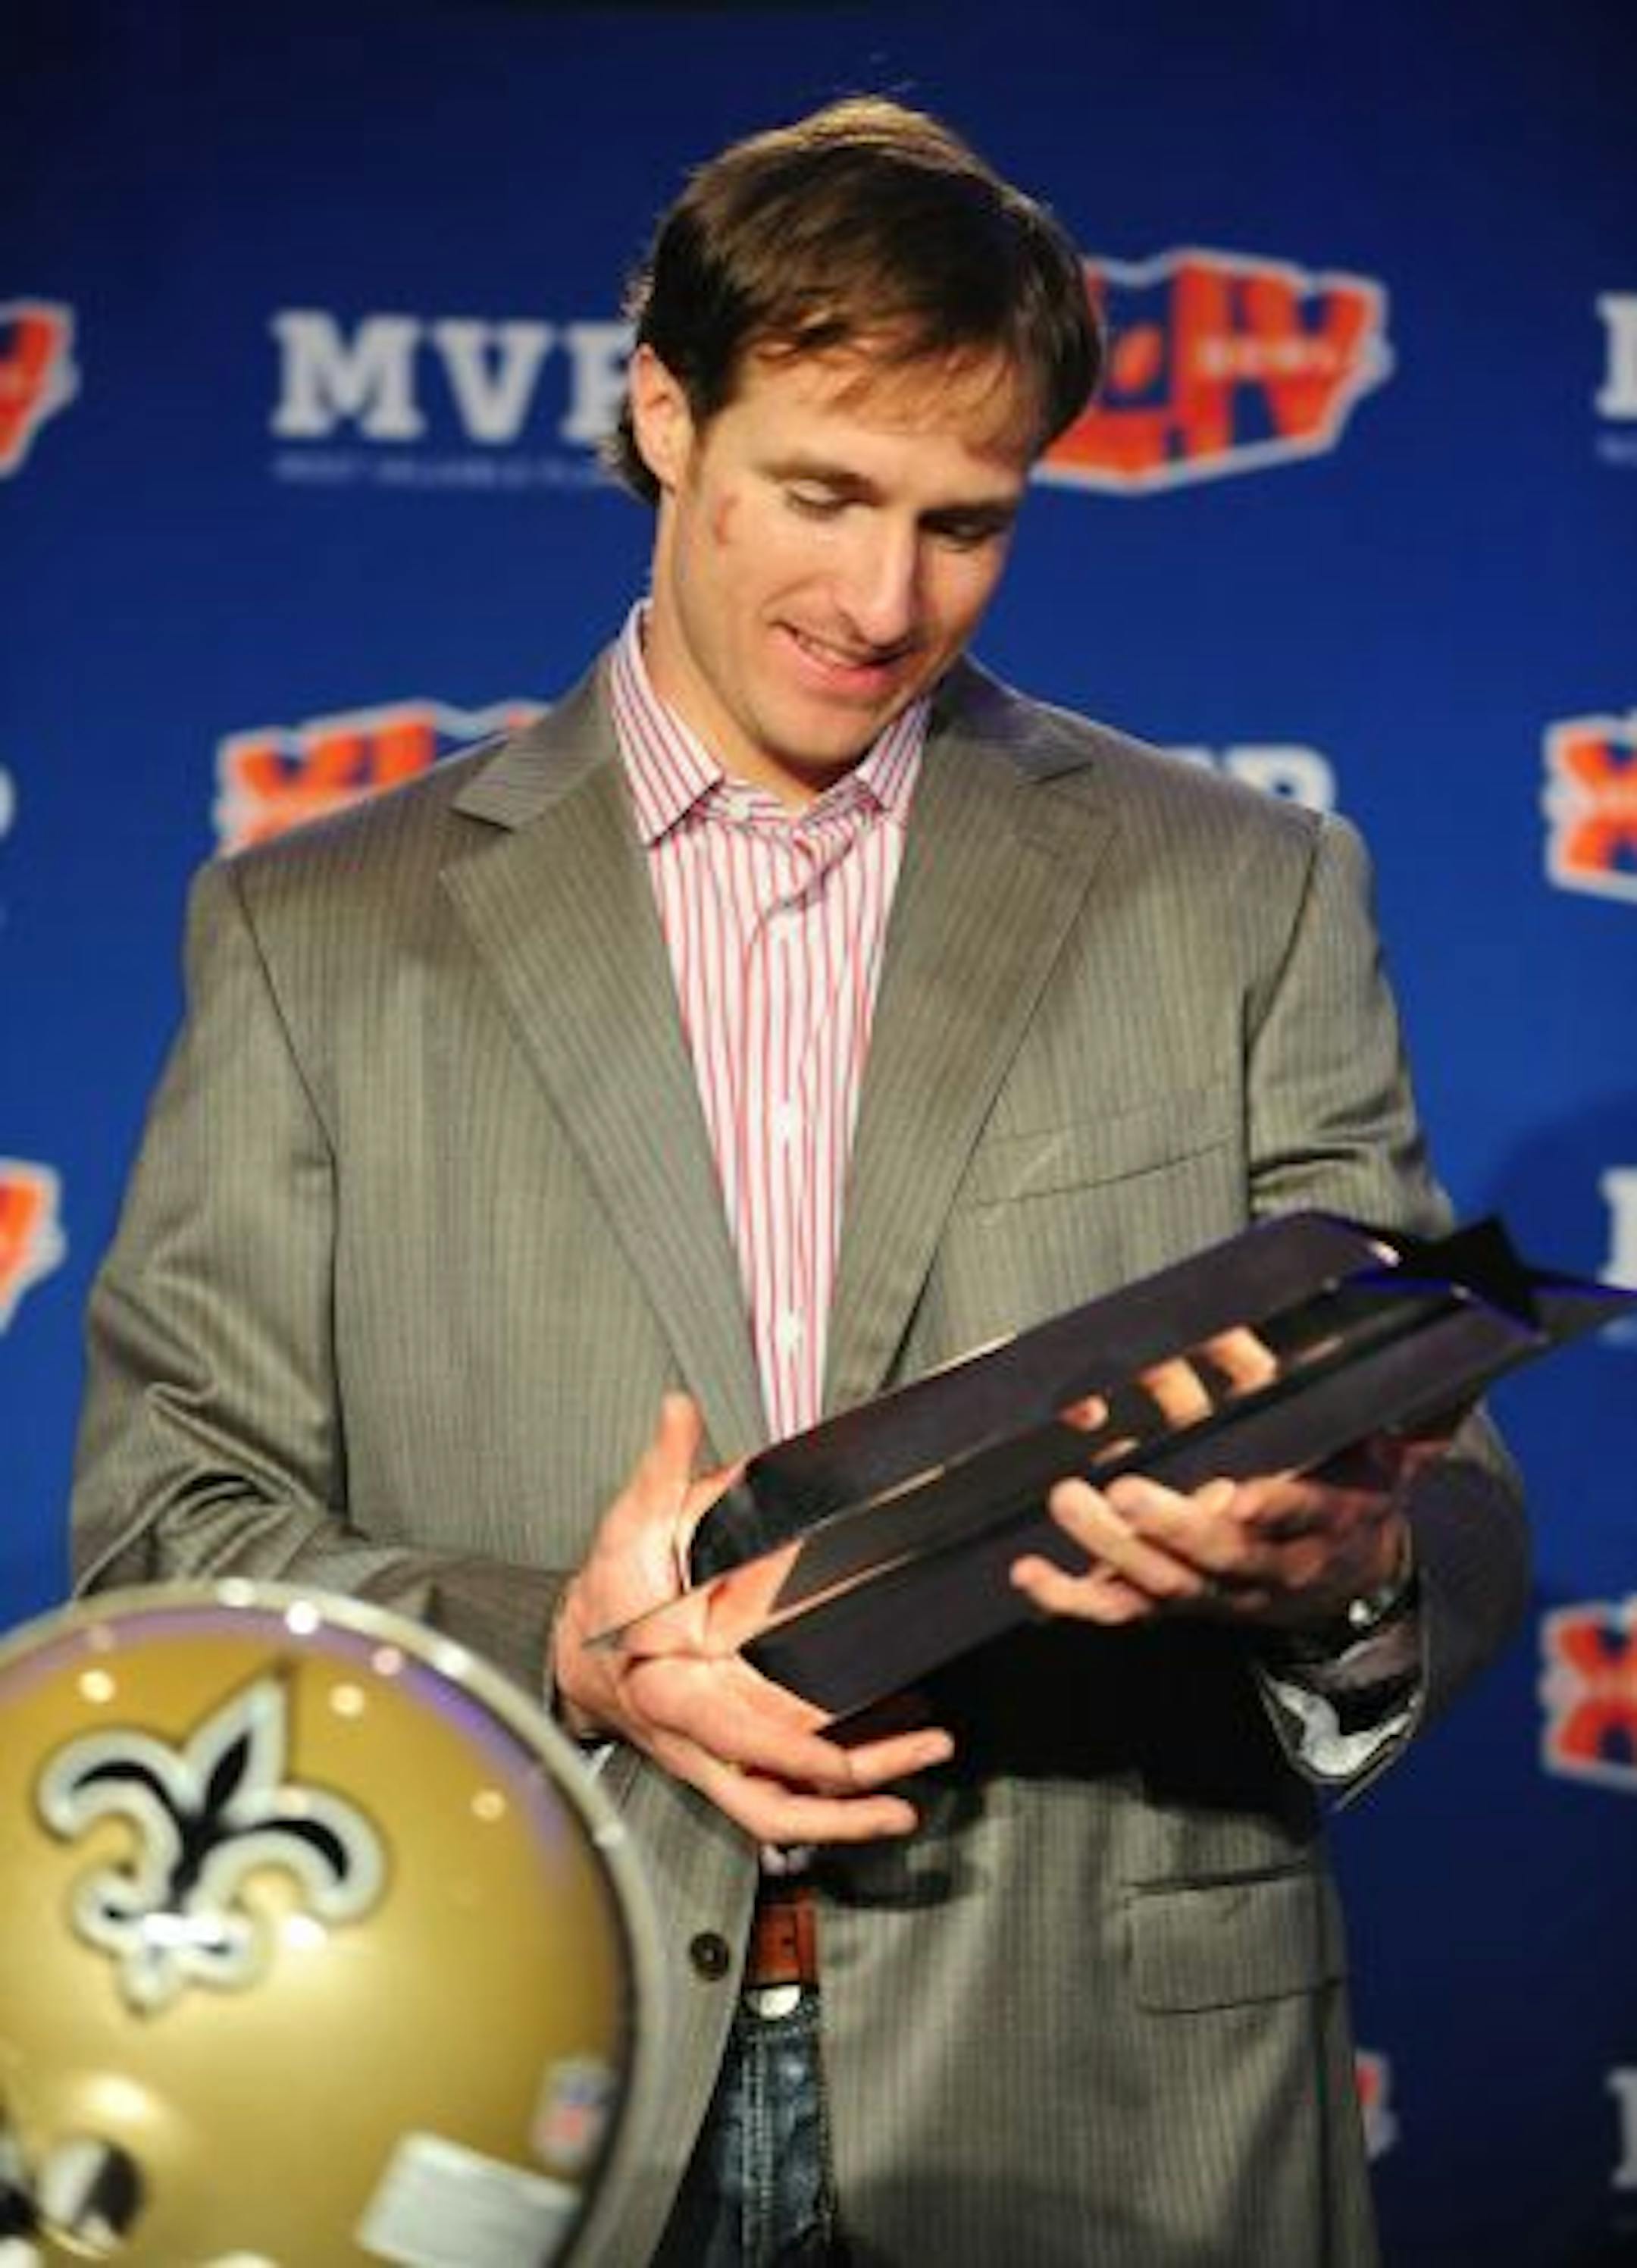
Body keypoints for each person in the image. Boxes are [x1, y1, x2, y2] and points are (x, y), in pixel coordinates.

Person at [73, 97, 1527, 2266]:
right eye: (824, 495)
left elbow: (1443, 1483)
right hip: (518, 2062)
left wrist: (1340, 1561)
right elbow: (176, 1535)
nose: (881, 600)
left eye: (967, 523)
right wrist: (565, 1653)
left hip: (1111, 2107)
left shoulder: (1243, 890)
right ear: (667, 413)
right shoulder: (322, 931)